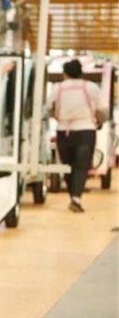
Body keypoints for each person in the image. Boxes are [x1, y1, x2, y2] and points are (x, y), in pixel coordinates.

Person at [49, 58, 108, 213]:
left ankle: (74, 197)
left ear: (65, 74)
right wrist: (99, 122)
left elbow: (49, 108)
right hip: (86, 130)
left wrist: (58, 118)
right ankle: (76, 197)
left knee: (68, 165)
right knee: (81, 166)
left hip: (63, 132)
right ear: (81, 73)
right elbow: (102, 110)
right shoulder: (91, 87)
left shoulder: (57, 88)